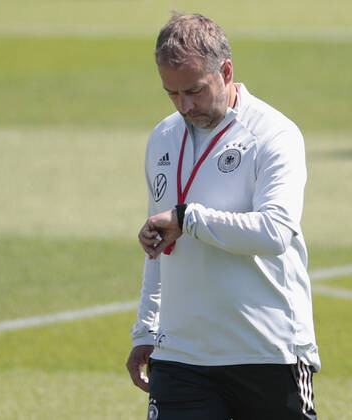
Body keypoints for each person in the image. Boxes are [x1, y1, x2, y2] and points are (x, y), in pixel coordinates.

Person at [126, 13, 320, 420]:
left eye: (194, 90)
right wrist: (147, 328)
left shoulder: (274, 134)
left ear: (226, 71)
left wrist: (188, 219)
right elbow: (160, 246)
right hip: (180, 354)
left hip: (266, 351)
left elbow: (275, 232)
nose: (185, 105)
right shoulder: (163, 137)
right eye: (172, 93)